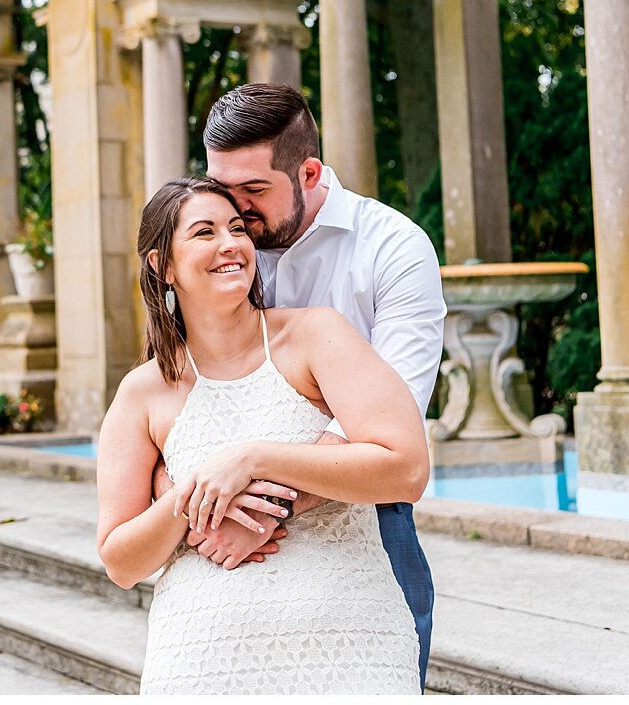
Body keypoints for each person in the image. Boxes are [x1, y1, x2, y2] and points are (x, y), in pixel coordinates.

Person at [96, 177, 428, 694]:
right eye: (204, 232)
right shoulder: (143, 391)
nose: (230, 243)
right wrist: (195, 496)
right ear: (161, 265)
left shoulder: (317, 335)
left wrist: (255, 458)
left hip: (349, 645)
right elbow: (119, 560)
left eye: (237, 228)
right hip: (202, 662)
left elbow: (405, 469)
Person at [171, 82, 447, 687]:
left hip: (362, 524)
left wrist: (261, 511)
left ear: (311, 172)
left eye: (254, 191)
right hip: (222, 528)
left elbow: (380, 430)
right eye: (223, 190)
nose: (235, 214)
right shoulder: (229, 250)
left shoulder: (394, 249)